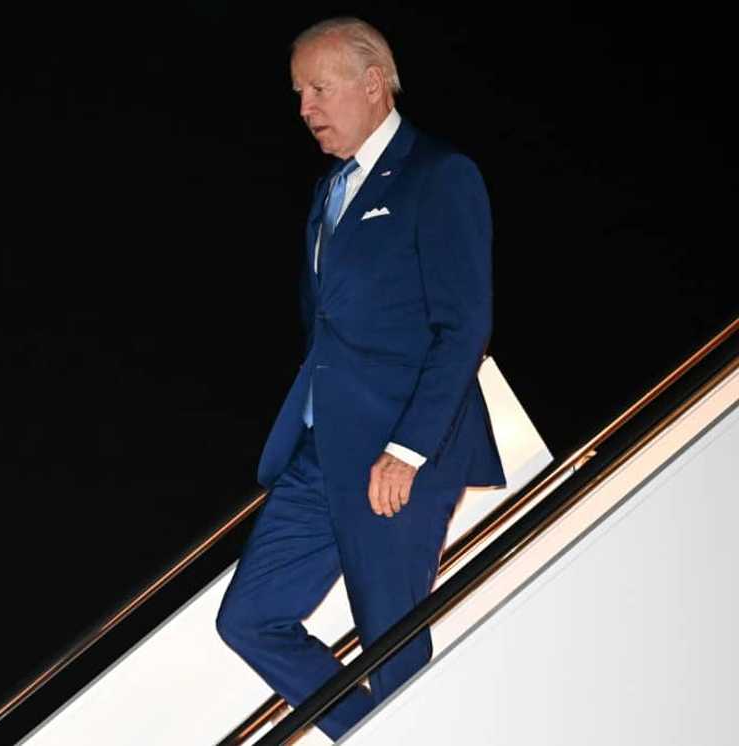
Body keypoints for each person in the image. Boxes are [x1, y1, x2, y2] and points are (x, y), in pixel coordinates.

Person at [215, 17, 507, 742]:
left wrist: (408, 449)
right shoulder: (329, 192)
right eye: (298, 93)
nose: (305, 108)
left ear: (372, 84)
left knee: (391, 643)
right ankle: (376, 730)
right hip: (323, 452)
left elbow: (462, 325)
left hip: (396, 454)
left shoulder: (438, 176)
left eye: (318, 88)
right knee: (249, 617)